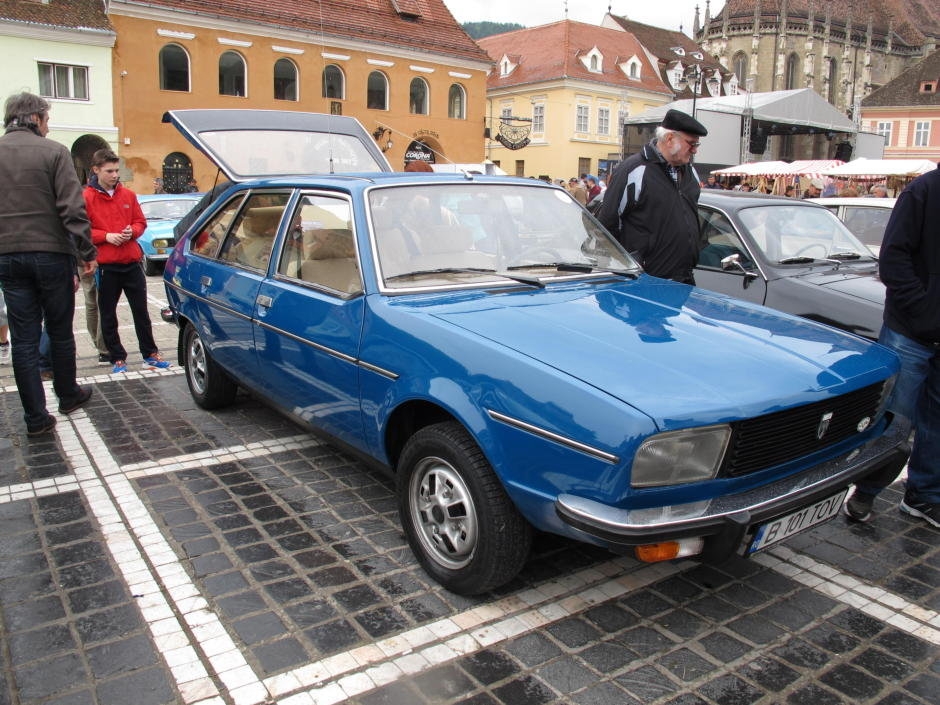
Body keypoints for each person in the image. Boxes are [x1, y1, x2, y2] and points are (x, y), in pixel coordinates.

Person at [843, 163, 940, 527]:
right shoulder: (923, 191)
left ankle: (924, 496)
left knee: (936, 424)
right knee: (896, 419)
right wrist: (923, 309)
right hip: (911, 331)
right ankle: (865, 493)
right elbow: (894, 259)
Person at [0, 92, 96, 435]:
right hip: (51, 254)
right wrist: (86, 253)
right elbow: (72, 209)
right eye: (47, 119)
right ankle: (67, 395)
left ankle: (36, 418)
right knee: (59, 330)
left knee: (23, 339)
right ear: (36, 118)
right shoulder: (54, 152)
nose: (48, 125)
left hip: (8, 257)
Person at [598, 109, 708, 284]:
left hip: (683, 277)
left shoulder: (690, 172)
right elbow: (607, 224)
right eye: (691, 144)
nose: (694, 150)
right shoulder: (634, 169)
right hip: (646, 279)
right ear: (670, 139)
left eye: (697, 145)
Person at [84, 148, 170, 374]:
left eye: (116, 170)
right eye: (109, 171)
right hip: (106, 266)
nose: (114, 175)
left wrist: (132, 231)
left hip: (131, 262)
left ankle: (150, 353)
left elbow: (141, 222)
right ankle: (117, 357)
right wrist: (106, 236)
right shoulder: (87, 197)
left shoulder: (128, 195)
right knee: (109, 314)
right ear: (96, 170)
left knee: (141, 311)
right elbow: (82, 230)